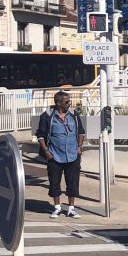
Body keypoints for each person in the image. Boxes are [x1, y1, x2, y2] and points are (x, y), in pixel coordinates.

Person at [37, 90, 86, 218]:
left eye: (69, 101)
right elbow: (40, 135)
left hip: (72, 155)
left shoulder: (74, 115)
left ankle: (71, 209)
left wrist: (79, 147)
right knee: (54, 183)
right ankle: (57, 208)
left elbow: (81, 132)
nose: (69, 103)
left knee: (73, 182)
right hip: (55, 156)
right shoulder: (47, 116)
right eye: (67, 102)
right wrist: (46, 152)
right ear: (58, 103)